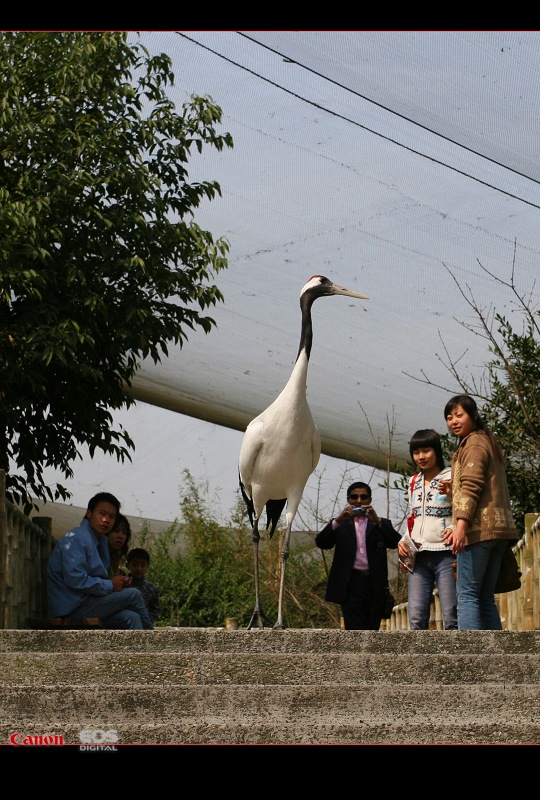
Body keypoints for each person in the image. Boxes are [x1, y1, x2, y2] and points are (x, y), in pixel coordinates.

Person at [440, 394, 518, 630]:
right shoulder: (487, 441)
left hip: (479, 530)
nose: (453, 421)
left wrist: (460, 527)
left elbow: (473, 486)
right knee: (484, 597)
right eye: (449, 417)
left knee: (467, 595)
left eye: (459, 415)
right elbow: (483, 485)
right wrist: (455, 488)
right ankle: (496, 656)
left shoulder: (473, 443)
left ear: (473, 415)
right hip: (499, 530)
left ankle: (470, 656)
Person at [47, 492, 154, 630]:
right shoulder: (77, 538)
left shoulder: (99, 540)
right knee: (134, 595)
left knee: (131, 617)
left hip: (86, 604)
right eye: (102, 513)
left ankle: (141, 651)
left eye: (111, 517)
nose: (106, 520)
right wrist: (111, 585)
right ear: (89, 513)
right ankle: (155, 642)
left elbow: (98, 579)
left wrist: (115, 582)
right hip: (71, 608)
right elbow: (75, 579)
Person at [315, 481, 401, 630]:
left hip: (374, 582)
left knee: (372, 627)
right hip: (350, 582)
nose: (359, 501)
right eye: (354, 497)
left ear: (370, 500)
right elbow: (322, 542)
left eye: (364, 497)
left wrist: (377, 520)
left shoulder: (380, 524)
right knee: (354, 629)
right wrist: (338, 520)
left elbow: (396, 543)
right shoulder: (341, 525)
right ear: (348, 500)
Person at [398, 429, 457, 630]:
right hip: (419, 555)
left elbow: (466, 507)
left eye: (426, 450)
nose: (421, 457)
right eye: (416, 452)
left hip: (446, 554)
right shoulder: (413, 481)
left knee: (451, 614)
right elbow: (414, 517)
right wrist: (404, 540)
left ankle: (458, 660)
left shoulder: (452, 475)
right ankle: (416, 660)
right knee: (416, 616)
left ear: (437, 451)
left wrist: (455, 527)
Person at [126, 548, 162, 624]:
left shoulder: (151, 588)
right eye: (135, 565)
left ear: (147, 566)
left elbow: (156, 608)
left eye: (143, 565)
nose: (139, 569)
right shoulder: (123, 585)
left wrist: (148, 619)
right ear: (128, 565)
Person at [107, 513, 132, 578]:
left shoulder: (115, 558)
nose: (121, 536)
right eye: (116, 531)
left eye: (124, 533)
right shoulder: (94, 555)